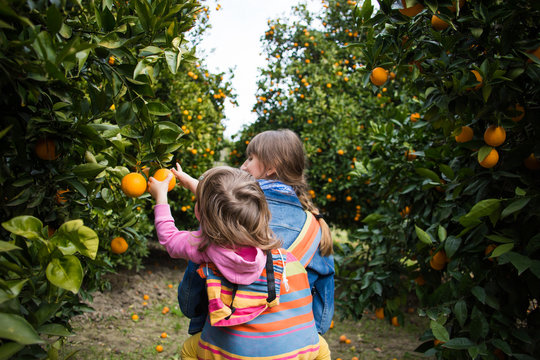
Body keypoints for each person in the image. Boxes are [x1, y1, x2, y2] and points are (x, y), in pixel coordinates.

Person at [148, 165, 330, 359]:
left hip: (232, 353)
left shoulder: (205, 246)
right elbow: (228, 208)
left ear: (200, 213)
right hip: (294, 352)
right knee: (323, 348)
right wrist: (192, 183)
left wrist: (161, 197)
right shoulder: (267, 241)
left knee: (190, 349)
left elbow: (169, 238)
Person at [178, 129, 335, 337]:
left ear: (271, 167)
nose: (243, 166)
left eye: (250, 158)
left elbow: (190, 304)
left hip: (223, 346)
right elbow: (321, 321)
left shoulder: (224, 217)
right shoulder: (315, 229)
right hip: (285, 349)